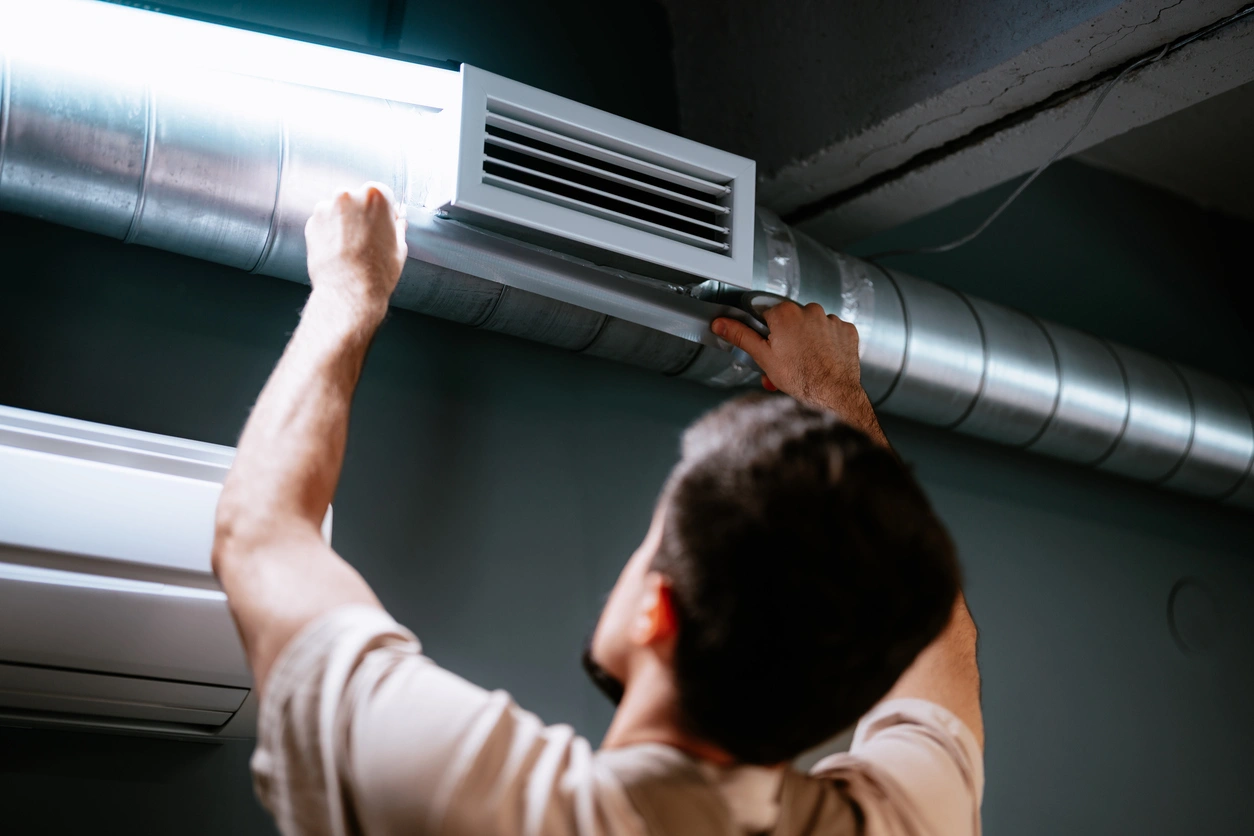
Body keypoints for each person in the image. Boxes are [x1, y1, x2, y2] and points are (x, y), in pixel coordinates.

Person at [212, 183, 984, 836]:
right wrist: (835, 393)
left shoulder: (499, 803)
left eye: (651, 546)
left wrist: (352, 286)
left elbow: (263, 536)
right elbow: (942, 638)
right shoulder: (898, 819)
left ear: (657, 611)